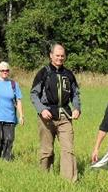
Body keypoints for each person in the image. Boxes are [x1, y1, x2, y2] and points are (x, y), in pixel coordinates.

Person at [30, 43, 81, 183]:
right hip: (46, 116)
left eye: (62, 56)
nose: (60, 58)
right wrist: (42, 109)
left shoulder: (69, 74)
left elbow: (76, 94)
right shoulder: (43, 73)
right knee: (47, 151)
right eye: (57, 55)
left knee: (68, 149)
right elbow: (34, 94)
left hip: (65, 115)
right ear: (51, 55)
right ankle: (44, 179)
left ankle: (68, 182)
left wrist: (76, 108)